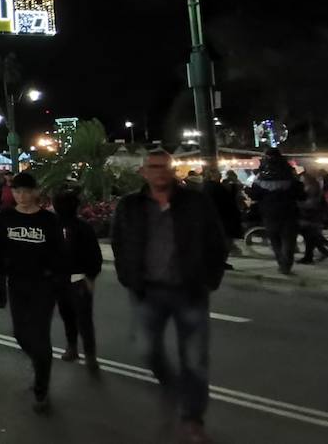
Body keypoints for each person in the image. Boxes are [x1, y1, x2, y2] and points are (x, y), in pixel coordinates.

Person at [110, 150, 227, 444]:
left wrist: (210, 279)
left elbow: (216, 240)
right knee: (146, 349)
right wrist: (128, 276)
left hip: (190, 290)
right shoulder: (130, 206)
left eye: (164, 167)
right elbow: (119, 242)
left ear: (172, 171)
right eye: (153, 167)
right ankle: (170, 384)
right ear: (143, 172)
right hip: (148, 291)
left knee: (195, 359)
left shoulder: (196, 203)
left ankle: (192, 418)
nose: (159, 171)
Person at [0, 172, 64, 414]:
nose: (21, 196)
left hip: (43, 285)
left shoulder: (49, 221)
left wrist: (61, 288)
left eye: (25, 191)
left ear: (35, 192)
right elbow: (0, 255)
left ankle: (41, 389)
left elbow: (60, 256)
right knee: (21, 334)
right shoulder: (5, 219)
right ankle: (40, 362)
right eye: (17, 191)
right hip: (17, 284)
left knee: (40, 335)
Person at [52, 191, 102, 369]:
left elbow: (94, 256)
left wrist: (90, 277)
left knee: (83, 319)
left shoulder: (83, 227)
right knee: (68, 317)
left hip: (79, 279)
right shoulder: (53, 226)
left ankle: (89, 355)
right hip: (60, 279)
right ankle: (72, 348)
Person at [247, 148, 306, 275]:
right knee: (289, 240)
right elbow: (300, 193)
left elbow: (254, 194)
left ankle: (281, 262)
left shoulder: (261, 175)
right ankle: (287, 264)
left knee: (275, 240)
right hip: (289, 211)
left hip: (269, 212)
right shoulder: (289, 173)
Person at [297, 171, 328, 264]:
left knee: (312, 237)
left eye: (303, 179)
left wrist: (299, 204)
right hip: (311, 216)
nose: (301, 180)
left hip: (311, 217)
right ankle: (319, 254)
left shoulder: (312, 189)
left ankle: (310, 257)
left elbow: (312, 204)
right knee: (313, 237)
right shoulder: (311, 188)